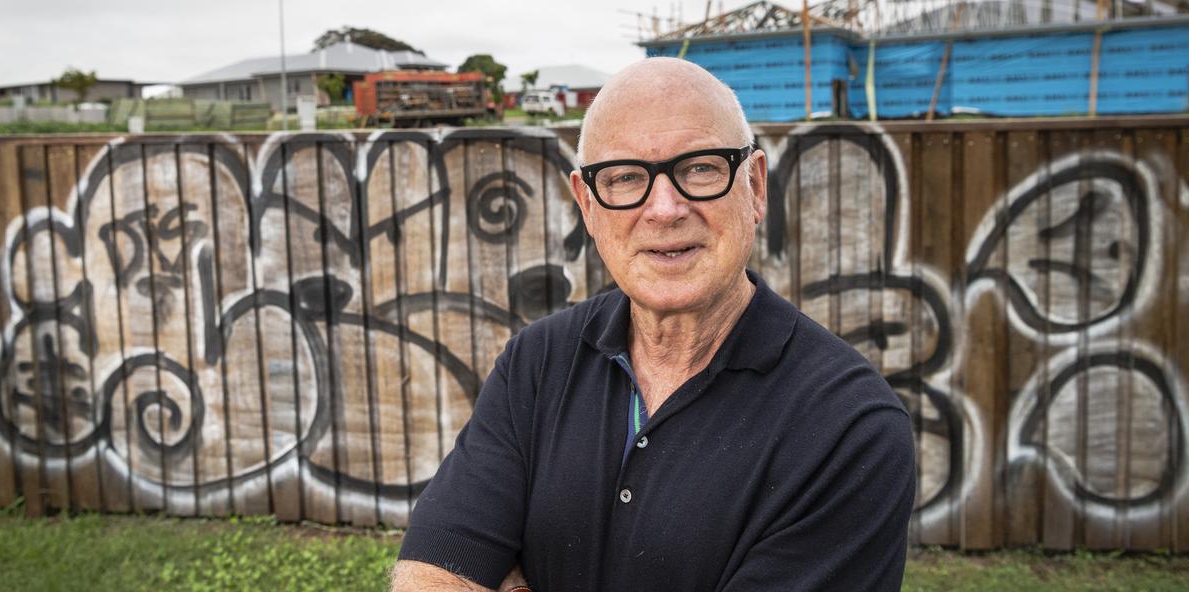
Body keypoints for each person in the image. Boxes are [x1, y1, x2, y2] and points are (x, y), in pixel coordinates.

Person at [392, 57, 915, 591]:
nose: (665, 209)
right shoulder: (535, 363)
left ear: (754, 186)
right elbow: (430, 572)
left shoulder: (849, 428)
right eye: (624, 178)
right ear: (587, 206)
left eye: (701, 167)